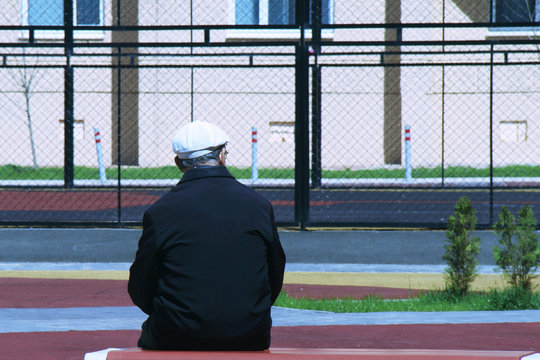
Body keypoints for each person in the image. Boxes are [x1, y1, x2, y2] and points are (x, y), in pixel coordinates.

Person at [128, 121, 286, 351]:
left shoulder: (160, 212)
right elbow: (275, 271)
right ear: (222, 156)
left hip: (175, 333)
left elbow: (140, 285)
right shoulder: (258, 206)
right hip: (249, 333)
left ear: (179, 163)